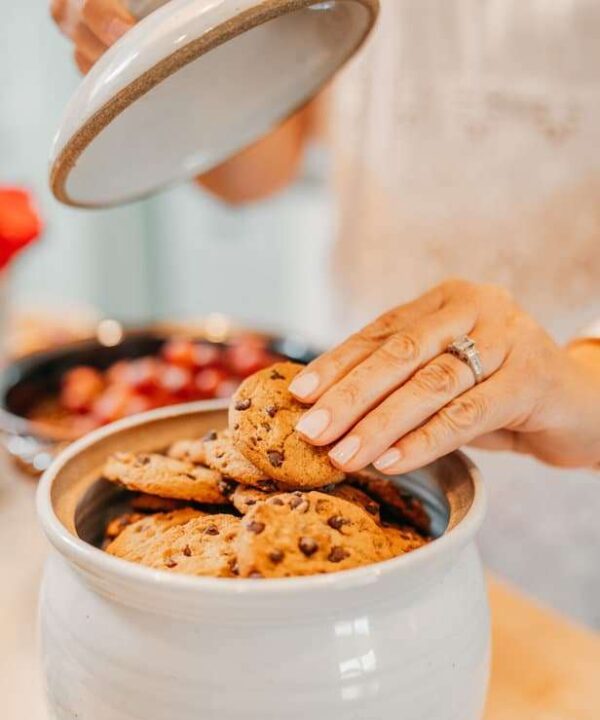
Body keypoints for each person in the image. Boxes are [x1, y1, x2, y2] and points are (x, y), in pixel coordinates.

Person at [50, 0, 600, 610]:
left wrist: (579, 381)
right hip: (344, 403)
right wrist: (157, 46)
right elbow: (253, 169)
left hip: (569, 443)